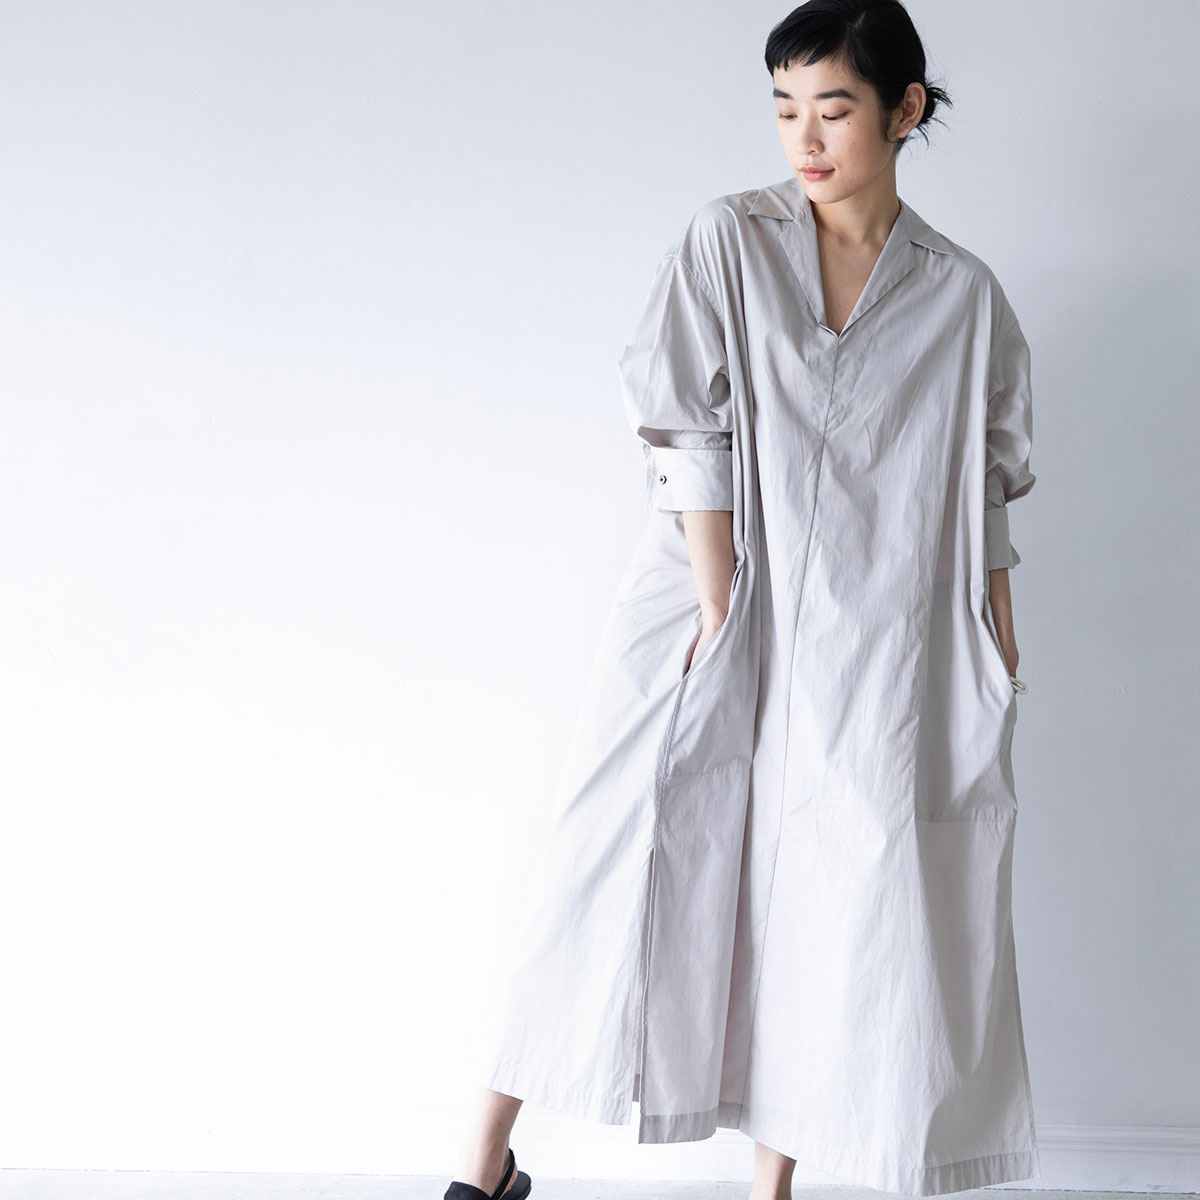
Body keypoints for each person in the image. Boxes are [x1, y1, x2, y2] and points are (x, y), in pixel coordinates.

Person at [445, 1, 1039, 1197]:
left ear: (904, 110)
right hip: (702, 603)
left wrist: (994, 627)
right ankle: (482, 1162)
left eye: (833, 108)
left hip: (875, 632)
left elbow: (982, 479)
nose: (803, 138)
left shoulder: (961, 293)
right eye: (783, 109)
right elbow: (686, 432)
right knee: (603, 865)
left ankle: (771, 1189)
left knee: (835, 893)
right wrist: (722, 614)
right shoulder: (729, 239)